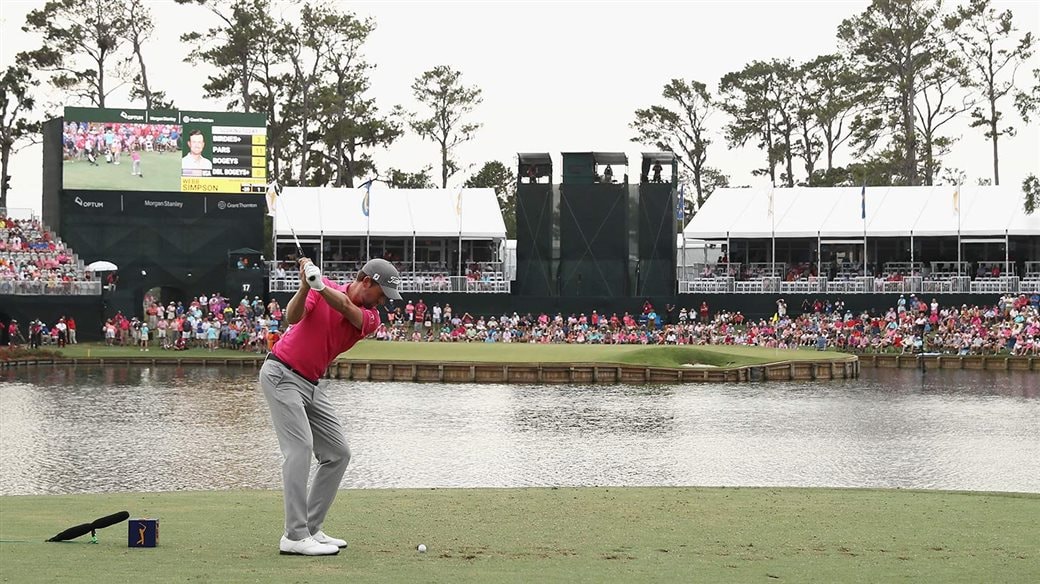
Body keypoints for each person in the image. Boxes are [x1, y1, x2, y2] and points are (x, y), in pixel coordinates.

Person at [259, 256, 401, 556]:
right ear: (367, 282)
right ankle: (294, 536)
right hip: (281, 373)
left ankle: (310, 528)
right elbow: (292, 318)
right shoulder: (319, 289)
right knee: (299, 449)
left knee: (337, 453)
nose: (384, 302)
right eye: (382, 294)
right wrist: (304, 286)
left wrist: (318, 285)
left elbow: (347, 308)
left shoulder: (371, 317)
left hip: (310, 383)